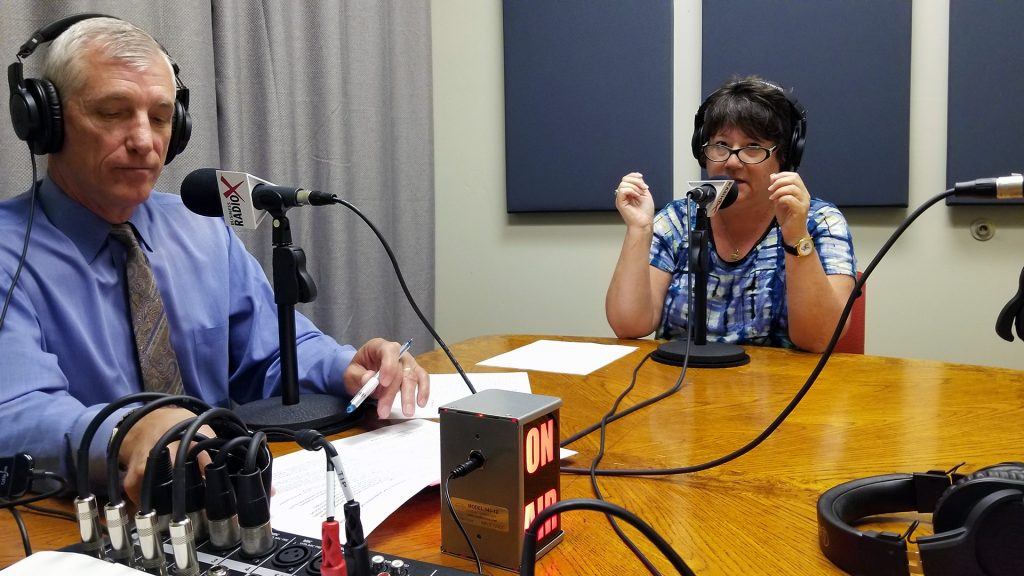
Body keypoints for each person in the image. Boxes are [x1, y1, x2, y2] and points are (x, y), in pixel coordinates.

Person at [0, 16, 429, 503]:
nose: (144, 140)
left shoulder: (201, 229)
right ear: (46, 122)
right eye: (113, 113)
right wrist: (130, 431)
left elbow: (267, 354)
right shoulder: (6, 252)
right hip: (83, 523)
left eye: (160, 118)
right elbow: (14, 413)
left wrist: (345, 368)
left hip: (223, 501)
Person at [606, 76, 856, 352]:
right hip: (682, 387)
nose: (733, 161)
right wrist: (640, 229)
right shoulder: (679, 219)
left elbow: (819, 339)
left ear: (784, 156)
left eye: (752, 147)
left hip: (783, 390)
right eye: (721, 145)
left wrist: (796, 235)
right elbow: (628, 326)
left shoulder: (818, 221)